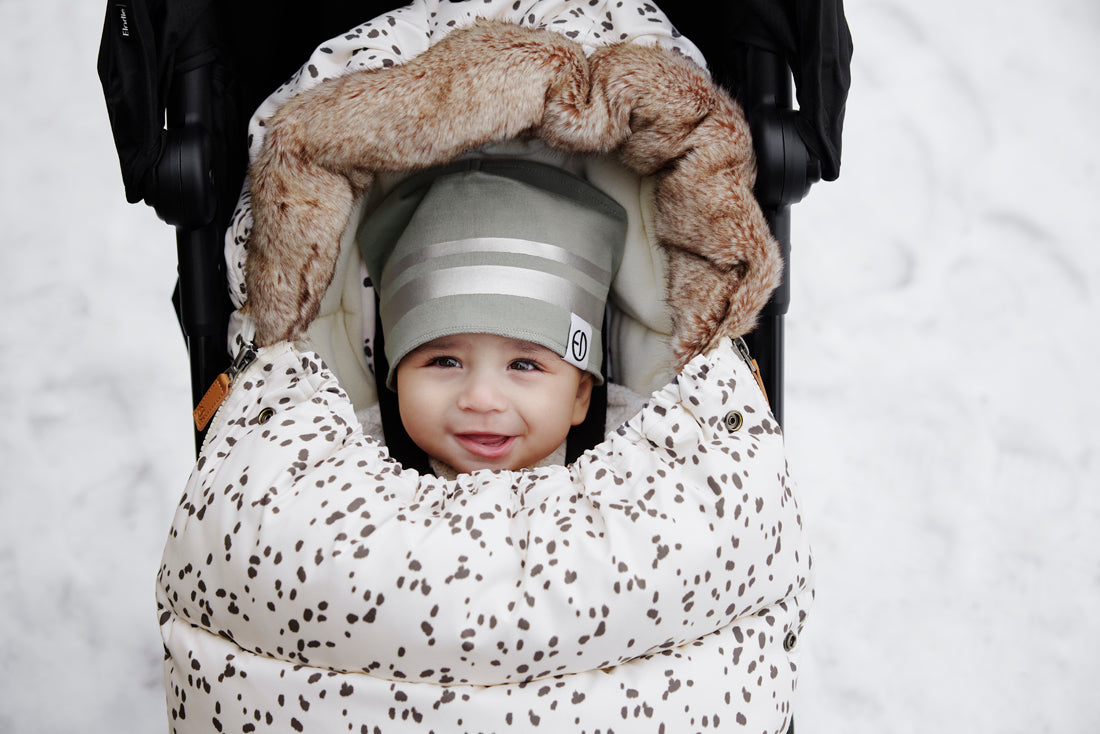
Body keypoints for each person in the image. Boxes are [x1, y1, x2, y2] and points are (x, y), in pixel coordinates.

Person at [355, 157, 644, 477]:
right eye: (445, 361)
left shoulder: (635, 448)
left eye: (523, 364)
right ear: (396, 379)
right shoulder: (356, 458)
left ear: (579, 395)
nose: (481, 399)